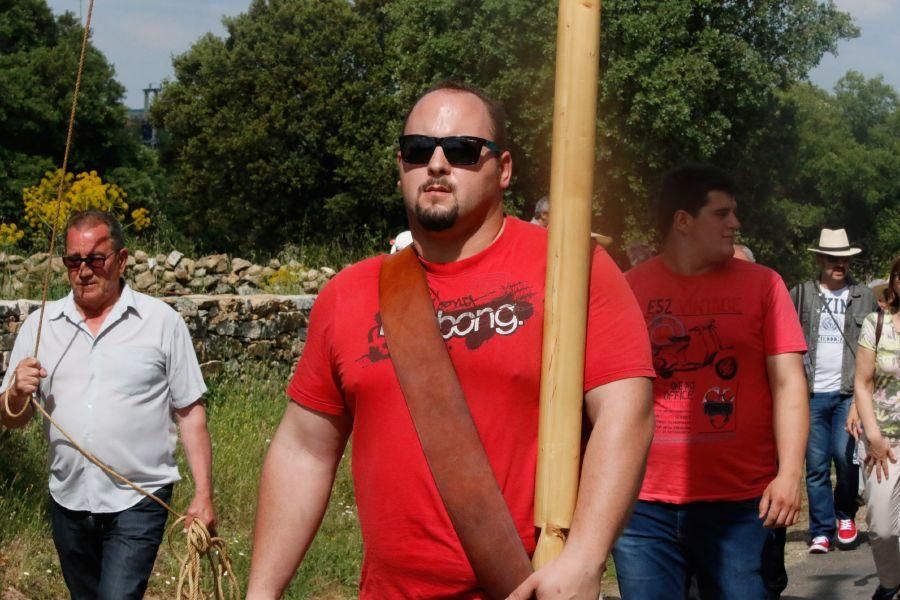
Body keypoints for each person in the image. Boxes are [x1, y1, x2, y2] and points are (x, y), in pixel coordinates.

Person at [247, 81, 656, 599]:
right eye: (419, 150)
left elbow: (627, 413)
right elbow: (304, 449)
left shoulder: (571, 269)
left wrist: (583, 559)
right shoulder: (347, 294)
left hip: (525, 590)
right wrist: (260, 593)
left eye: (461, 150)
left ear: (503, 169)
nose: (437, 164)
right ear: (401, 166)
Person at [614, 164, 808, 599]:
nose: (735, 224)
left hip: (740, 505)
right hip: (642, 507)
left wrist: (790, 473)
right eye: (722, 214)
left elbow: (789, 384)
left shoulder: (765, 286)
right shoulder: (627, 289)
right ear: (683, 221)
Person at [0, 210, 213, 600]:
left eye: (95, 259)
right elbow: (11, 419)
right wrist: (15, 392)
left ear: (121, 260)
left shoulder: (161, 322)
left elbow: (189, 411)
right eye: (73, 261)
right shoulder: (40, 325)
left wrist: (203, 495)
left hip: (139, 498)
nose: (83, 271)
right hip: (68, 498)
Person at [789, 228, 875, 553]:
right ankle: (821, 529)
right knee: (816, 464)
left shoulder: (863, 296)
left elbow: (872, 348)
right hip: (809, 393)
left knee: (845, 455)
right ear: (820, 259)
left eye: (844, 260)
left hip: (848, 395)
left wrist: (863, 395)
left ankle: (845, 515)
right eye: (831, 259)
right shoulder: (800, 294)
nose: (838, 265)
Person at [850, 256, 900, 600]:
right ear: (894, 281)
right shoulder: (876, 322)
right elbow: (862, 383)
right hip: (884, 441)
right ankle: (890, 584)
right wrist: (873, 435)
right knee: (882, 528)